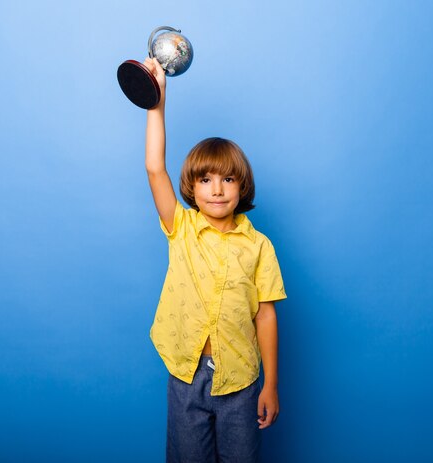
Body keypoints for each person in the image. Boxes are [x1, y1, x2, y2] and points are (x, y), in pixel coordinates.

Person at [143, 57, 287, 463]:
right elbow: (155, 168)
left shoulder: (259, 246)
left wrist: (271, 384)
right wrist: (157, 103)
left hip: (240, 381)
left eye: (228, 179)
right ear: (192, 186)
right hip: (186, 374)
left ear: (242, 187)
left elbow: (265, 316)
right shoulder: (182, 227)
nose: (217, 190)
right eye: (205, 180)